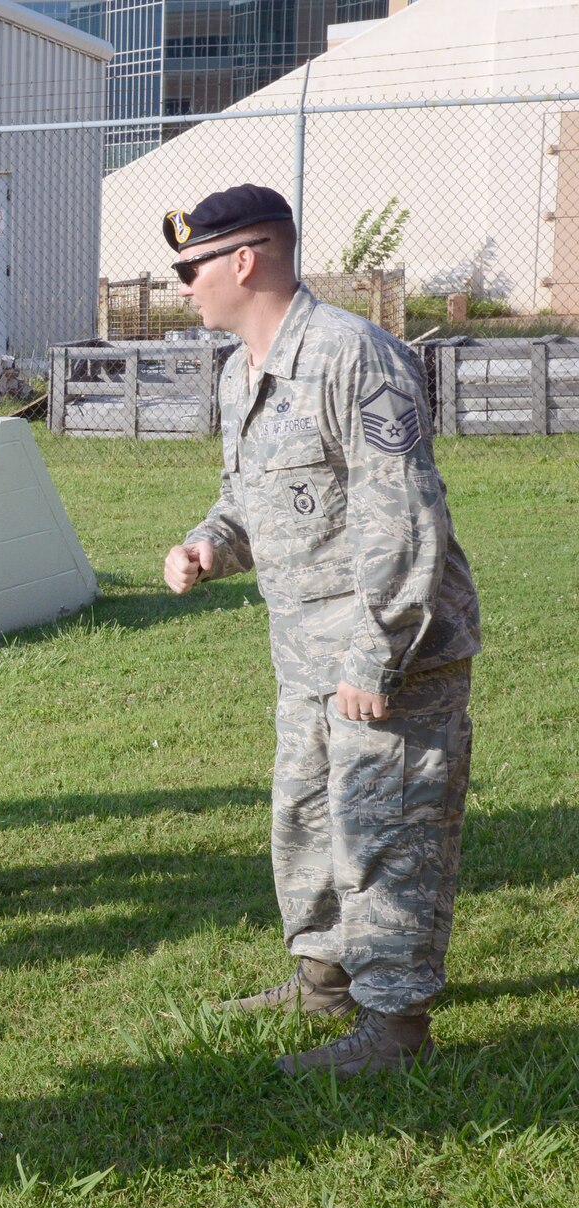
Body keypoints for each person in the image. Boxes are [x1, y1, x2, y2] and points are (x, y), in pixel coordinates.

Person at [161, 184, 480, 1076]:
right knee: (305, 820)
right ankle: (325, 976)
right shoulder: (242, 371)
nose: (183, 285)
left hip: (386, 654)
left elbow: (404, 518)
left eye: (190, 267)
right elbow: (251, 498)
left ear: (244, 260)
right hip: (305, 656)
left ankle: (397, 1027)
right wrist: (207, 545)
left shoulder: (354, 357)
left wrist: (377, 654)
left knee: (388, 829)